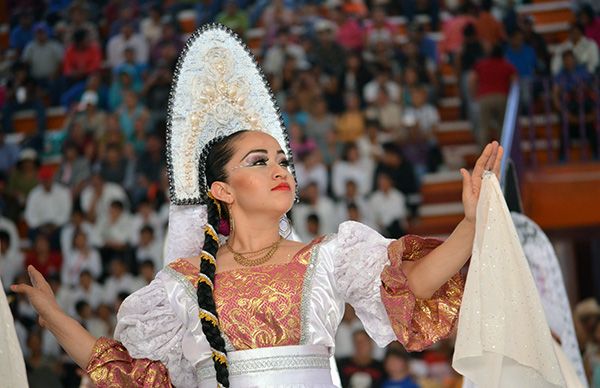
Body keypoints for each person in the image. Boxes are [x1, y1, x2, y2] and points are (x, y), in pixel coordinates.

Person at [11, 25, 503, 387]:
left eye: (283, 160)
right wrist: (52, 315)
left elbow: (412, 285)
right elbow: (126, 372)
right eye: (260, 161)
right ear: (222, 190)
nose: (280, 170)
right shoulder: (181, 286)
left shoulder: (329, 257)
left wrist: (470, 224)